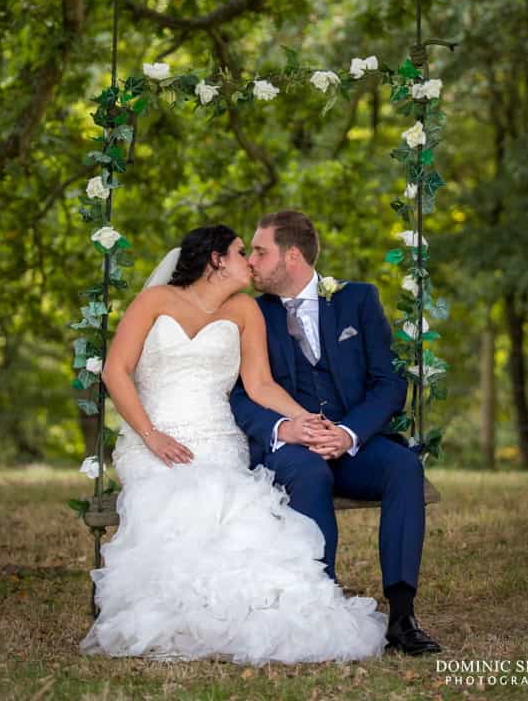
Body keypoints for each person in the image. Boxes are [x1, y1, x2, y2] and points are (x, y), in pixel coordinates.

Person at [80, 224, 388, 663]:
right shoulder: (155, 301)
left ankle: (252, 614)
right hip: (154, 438)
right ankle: (185, 615)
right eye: (243, 251)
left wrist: (309, 420)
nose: (252, 261)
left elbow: (260, 385)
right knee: (178, 503)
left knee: (237, 513)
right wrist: (151, 435)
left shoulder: (245, 311)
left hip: (220, 439)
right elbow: (115, 371)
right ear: (216, 259)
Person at [230, 209, 441, 656]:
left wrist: (348, 434)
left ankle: (402, 615)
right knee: (310, 474)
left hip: (351, 444)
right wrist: (285, 428)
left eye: (260, 251)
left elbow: (388, 383)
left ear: (291, 256)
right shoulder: (250, 313)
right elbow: (239, 395)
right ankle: (319, 605)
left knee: (403, 466)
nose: (250, 260)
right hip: (292, 449)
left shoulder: (357, 300)